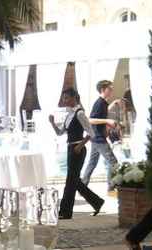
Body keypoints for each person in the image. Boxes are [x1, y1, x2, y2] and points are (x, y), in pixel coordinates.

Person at [49, 88, 104, 219]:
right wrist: (52, 123)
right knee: (74, 181)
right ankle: (97, 202)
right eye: (64, 98)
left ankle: (65, 212)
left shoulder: (79, 114)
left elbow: (91, 133)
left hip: (78, 149)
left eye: (67, 98)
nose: (64, 100)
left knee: (70, 181)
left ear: (75, 98)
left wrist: (80, 145)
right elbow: (60, 132)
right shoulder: (69, 115)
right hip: (70, 148)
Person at [82, 80, 119, 190]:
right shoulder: (99, 103)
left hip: (95, 137)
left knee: (92, 163)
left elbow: (102, 113)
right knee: (113, 162)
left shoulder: (103, 103)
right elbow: (91, 120)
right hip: (98, 138)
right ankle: (111, 187)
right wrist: (107, 121)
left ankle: (83, 186)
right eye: (110, 88)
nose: (112, 90)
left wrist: (113, 104)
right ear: (103, 89)